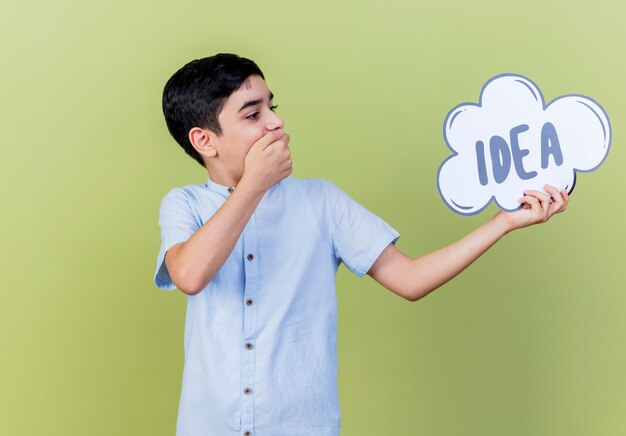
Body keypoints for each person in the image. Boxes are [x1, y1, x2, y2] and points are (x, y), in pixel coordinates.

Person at [155, 53, 569, 436]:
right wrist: (254, 185)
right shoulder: (184, 204)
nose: (275, 123)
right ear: (205, 141)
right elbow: (190, 275)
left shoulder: (322, 201)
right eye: (253, 114)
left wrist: (504, 221)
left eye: (272, 107)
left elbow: (410, 279)